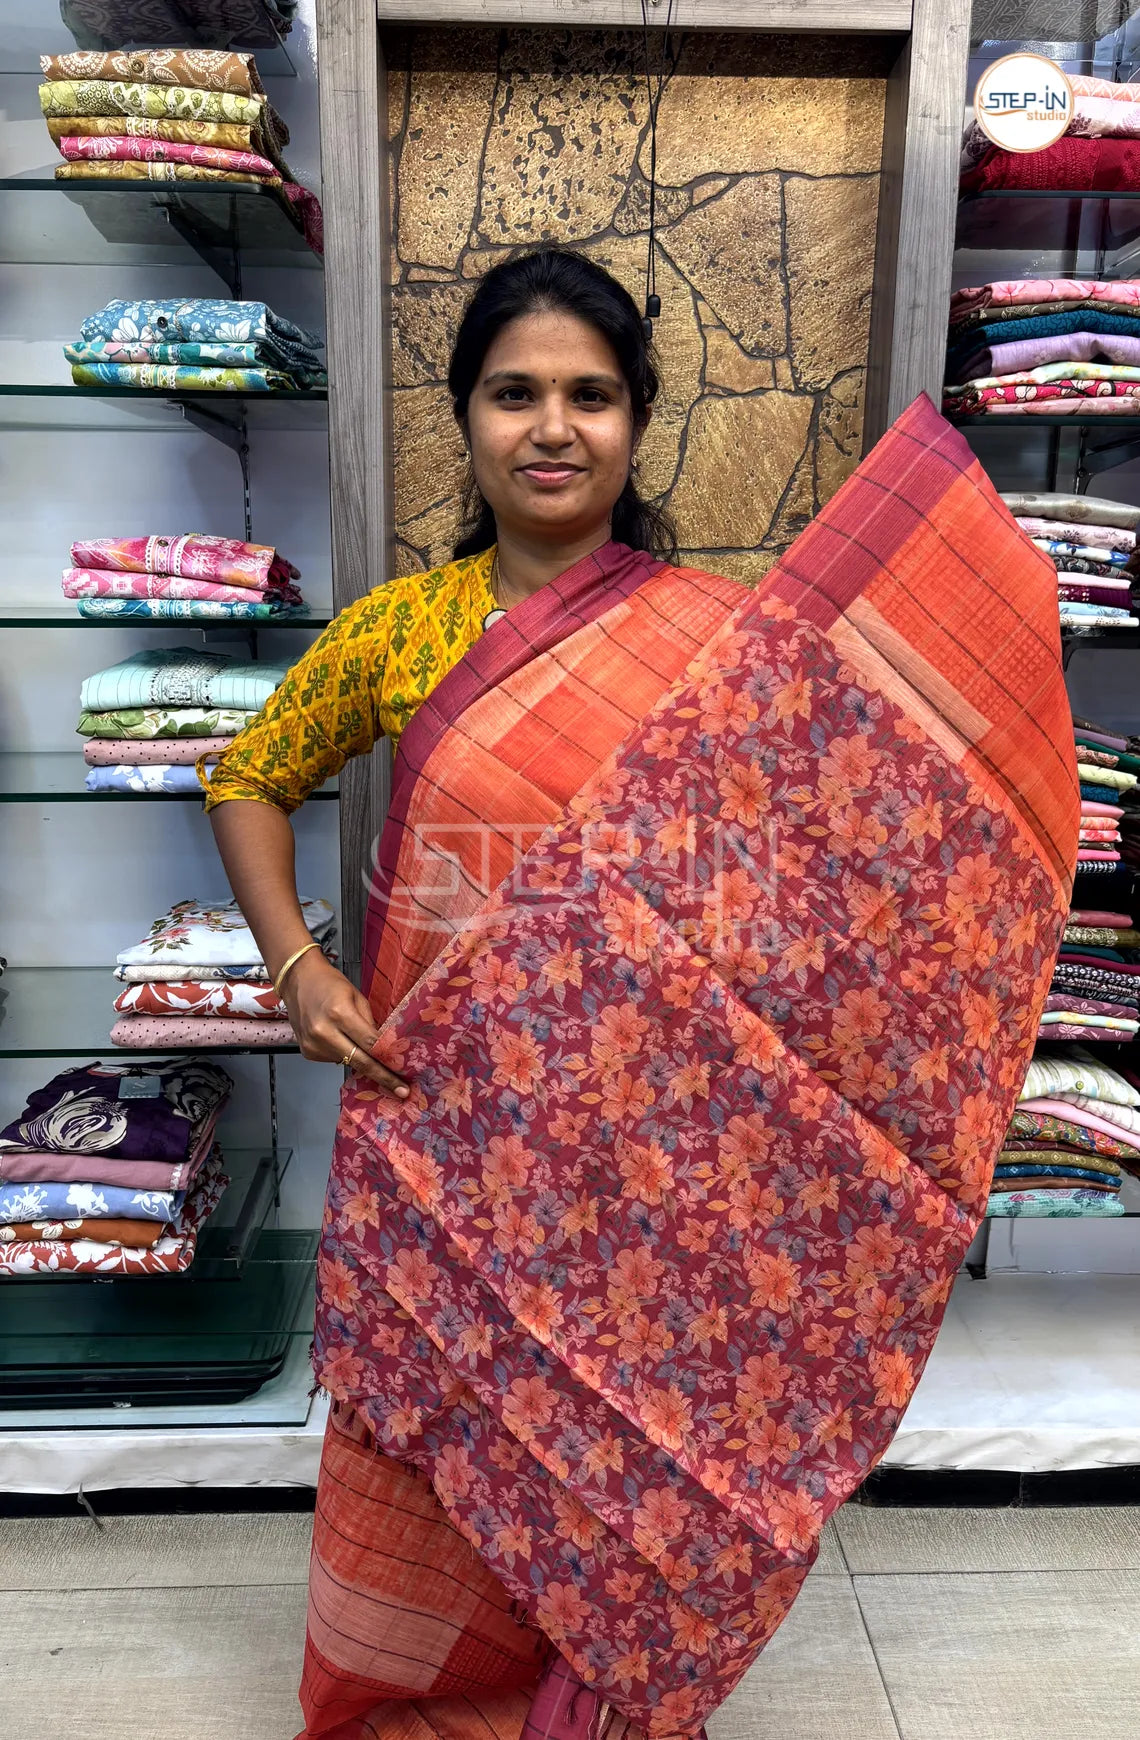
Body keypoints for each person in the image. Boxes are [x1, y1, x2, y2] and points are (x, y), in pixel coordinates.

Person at [204, 248, 1077, 1740]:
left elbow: (810, 875)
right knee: (422, 1454)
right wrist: (299, 968)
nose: (553, 427)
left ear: (637, 419)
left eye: (590, 396)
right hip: (444, 1129)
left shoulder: (718, 651)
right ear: (466, 417)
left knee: (625, 1450)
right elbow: (248, 776)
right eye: (515, 393)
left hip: (641, 1164)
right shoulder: (402, 630)